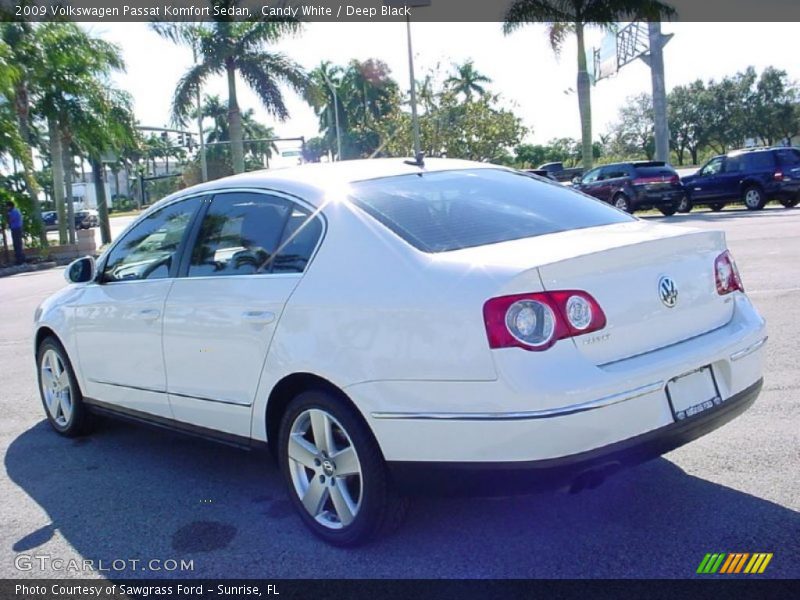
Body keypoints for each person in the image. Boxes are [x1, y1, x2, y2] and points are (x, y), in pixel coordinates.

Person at [6, 200, 25, 265]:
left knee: (17, 244)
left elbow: (10, 220)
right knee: (19, 244)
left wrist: (8, 215)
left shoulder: (12, 212)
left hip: (15, 229)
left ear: (10, 206)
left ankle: (19, 260)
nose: (7, 208)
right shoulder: (17, 210)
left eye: (7, 207)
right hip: (19, 228)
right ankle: (21, 259)